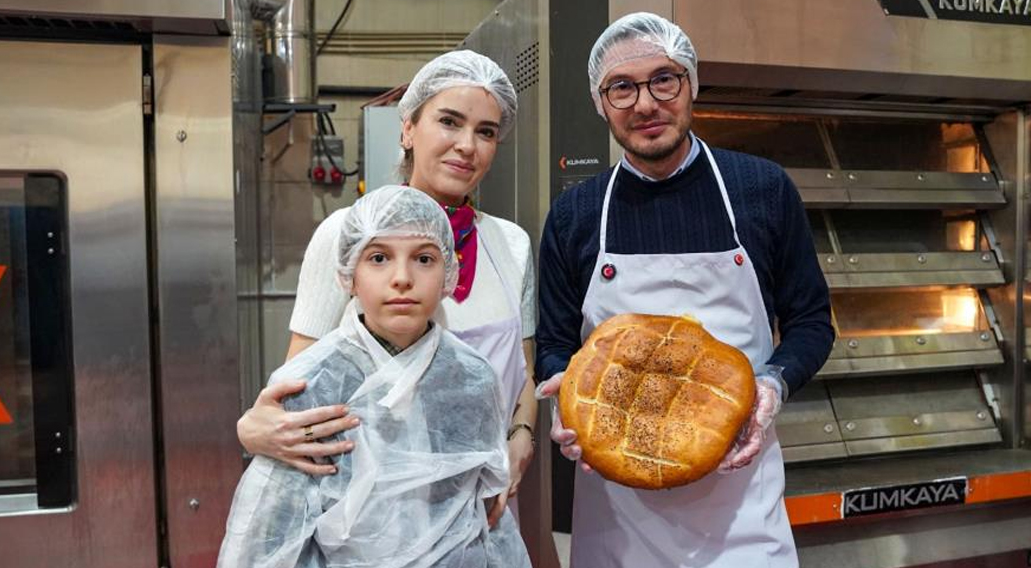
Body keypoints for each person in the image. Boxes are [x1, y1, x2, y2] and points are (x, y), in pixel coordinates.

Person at [534, 12, 835, 568]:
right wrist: (563, 392)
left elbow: (812, 324)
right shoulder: (576, 213)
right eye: (621, 88)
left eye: (663, 79)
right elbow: (553, 341)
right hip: (617, 513)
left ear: (691, 84)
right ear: (601, 103)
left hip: (741, 507)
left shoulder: (761, 189)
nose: (645, 103)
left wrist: (772, 384)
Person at [236, 50, 538, 531]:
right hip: (368, 522)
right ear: (407, 129)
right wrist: (254, 428)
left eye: (485, 131)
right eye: (449, 121)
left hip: (478, 508)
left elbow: (523, 372)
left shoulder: (511, 245)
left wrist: (521, 440)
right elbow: (296, 384)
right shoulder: (348, 234)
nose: (467, 145)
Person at [218, 186, 530, 568]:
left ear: (449, 274)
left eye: (424, 259)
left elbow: (491, 526)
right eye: (379, 258)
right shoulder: (311, 383)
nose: (402, 278)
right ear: (350, 275)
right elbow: (267, 540)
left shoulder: (473, 380)